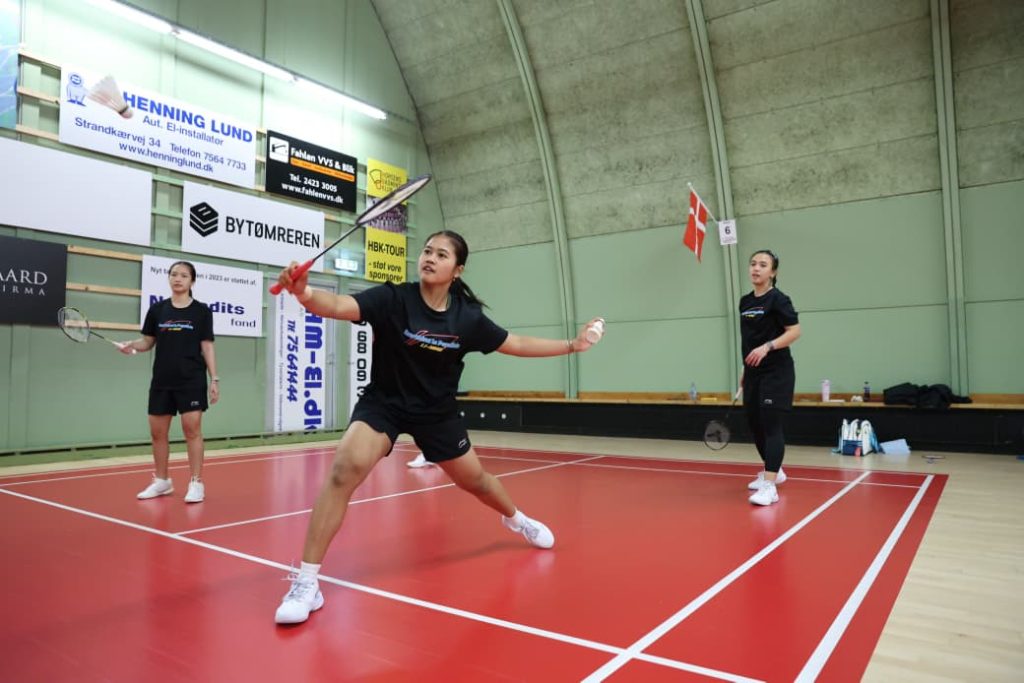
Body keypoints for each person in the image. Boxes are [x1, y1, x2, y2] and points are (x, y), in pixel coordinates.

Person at [273, 230, 602, 624]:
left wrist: (572, 345)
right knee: (344, 469)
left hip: (437, 413)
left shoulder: (467, 319)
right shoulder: (394, 298)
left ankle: (517, 519)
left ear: (457, 269)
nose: (430, 257)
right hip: (386, 404)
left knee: (477, 482)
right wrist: (305, 294)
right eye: (427, 250)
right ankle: (307, 583)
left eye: (441, 254)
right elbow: (339, 305)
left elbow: (515, 343)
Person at [118, 261, 219, 503]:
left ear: (192, 281)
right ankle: (162, 481)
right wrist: (132, 345)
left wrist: (214, 378)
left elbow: (207, 345)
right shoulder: (158, 310)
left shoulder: (201, 311)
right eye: (174, 274)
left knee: (192, 431)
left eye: (184, 275)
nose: (178, 279)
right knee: (157, 433)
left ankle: (196, 483)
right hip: (162, 379)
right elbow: (147, 342)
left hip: (192, 378)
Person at [739, 249, 801, 506]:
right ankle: (776, 471)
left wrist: (768, 347)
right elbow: (748, 339)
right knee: (755, 423)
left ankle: (770, 485)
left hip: (777, 372)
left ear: (773, 272)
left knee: (771, 424)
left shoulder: (779, 300)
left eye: (763, 265)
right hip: (753, 372)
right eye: (753, 264)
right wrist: (745, 370)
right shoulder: (745, 301)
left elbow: (795, 331)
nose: (756, 268)